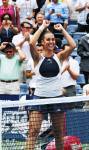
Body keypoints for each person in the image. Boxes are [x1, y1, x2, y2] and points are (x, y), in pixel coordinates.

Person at [26, 20, 76, 150]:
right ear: (42, 43)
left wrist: (62, 30)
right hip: (39, 98)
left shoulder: (59, 57)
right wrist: (42, 26)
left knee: (59, 133)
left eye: (53, 40)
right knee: (33, 132)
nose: (51, 42)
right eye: (48, 40)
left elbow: (73, 45)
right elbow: (31, 42)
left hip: (56, 98)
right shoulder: (37, 58)